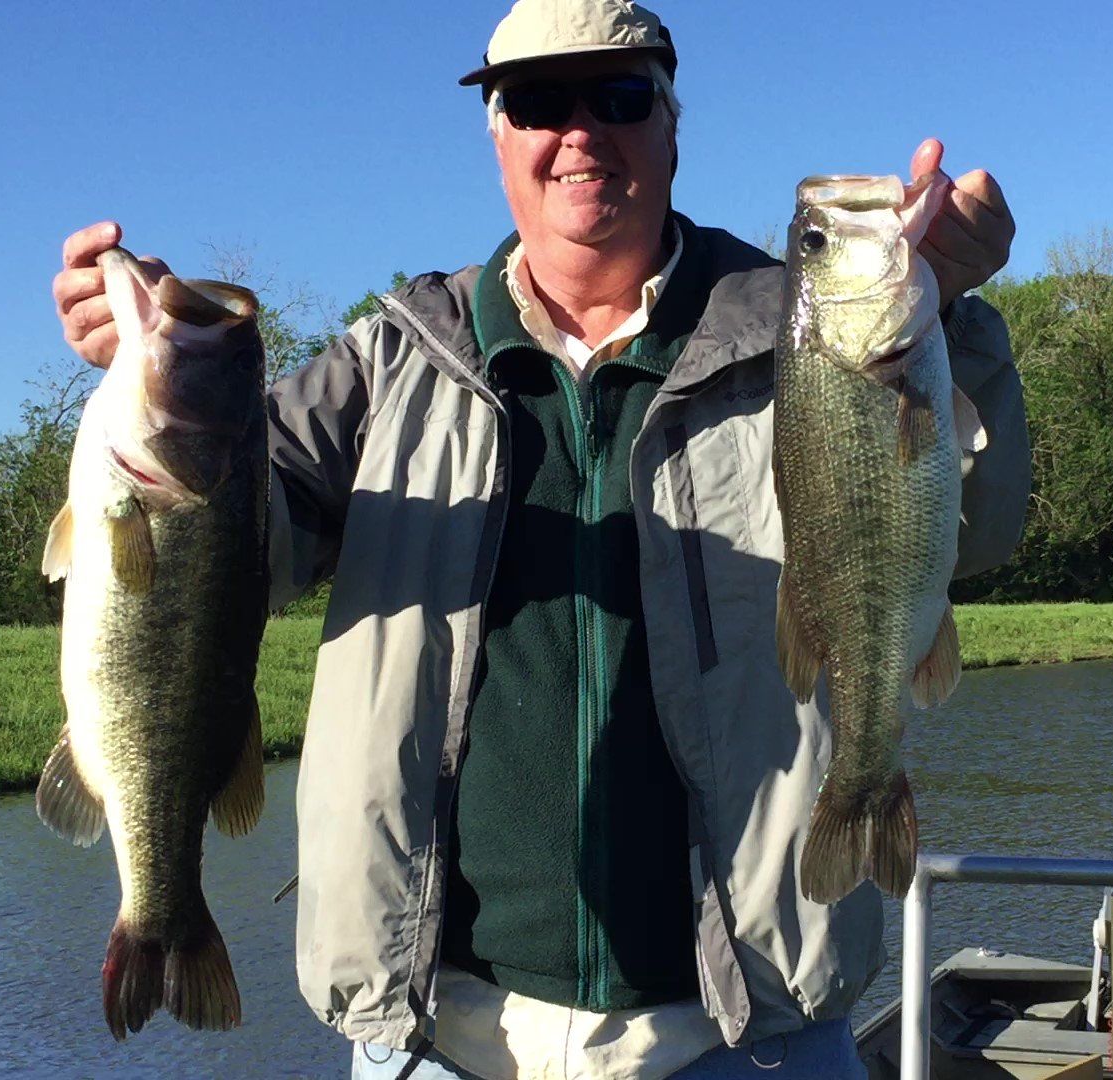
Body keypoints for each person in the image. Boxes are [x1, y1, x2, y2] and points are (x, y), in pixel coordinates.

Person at [52, 1, 1029, 1075]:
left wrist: (952, 314)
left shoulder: (802, 334)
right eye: (535, 101)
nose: (578, 132)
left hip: (750, 1036)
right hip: (436, 1038)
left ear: (670, 121)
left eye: (616, 98)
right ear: (496, 132)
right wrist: (150, 366)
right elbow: (234, 551)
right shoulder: (388, 361)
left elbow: (972, 537)